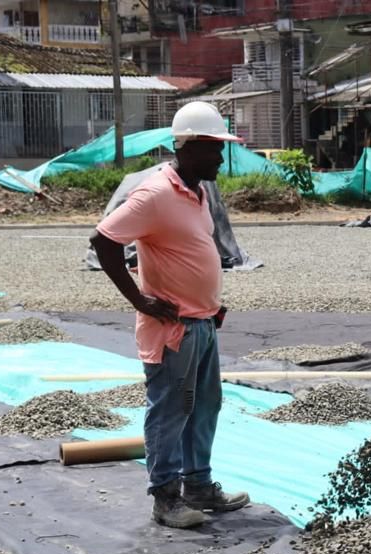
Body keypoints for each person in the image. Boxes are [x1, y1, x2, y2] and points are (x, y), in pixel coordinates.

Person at [90, 101, 250, 529]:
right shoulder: (156, 193)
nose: (221, 157)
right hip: (172, 329)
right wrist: (140, 300)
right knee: (170, 410)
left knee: (205, 408)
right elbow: (104, 241)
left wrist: (210, 301)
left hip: (203, 322)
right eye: (215, 149)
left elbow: (189, 253)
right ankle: (165, 497)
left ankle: (198, 486)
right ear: (190, 146)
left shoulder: (197, 192)